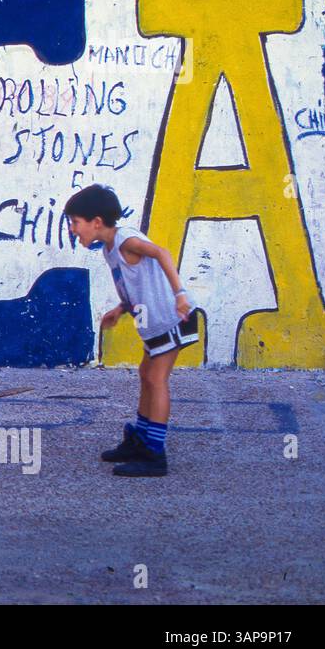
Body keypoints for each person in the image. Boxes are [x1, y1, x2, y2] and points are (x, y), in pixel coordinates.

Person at [65, 184, 197, 477]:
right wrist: (121, 308)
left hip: (173, 317)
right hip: (155, 322)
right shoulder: (110, 250)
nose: (73, 229)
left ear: (96, 222)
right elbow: (136, 283)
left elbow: (162, 254)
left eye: (75, 222)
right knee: (145, 374)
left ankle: (154, 454)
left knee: (156, 377)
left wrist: (181, 295)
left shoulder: (126, 240)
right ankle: (141, 439)